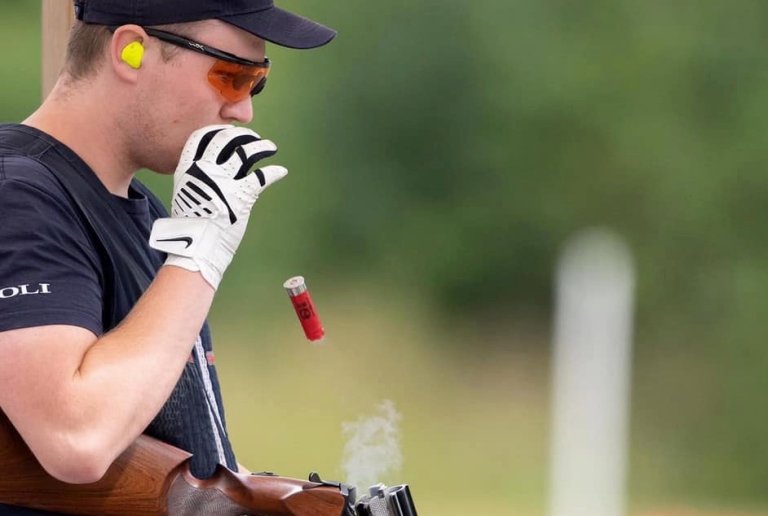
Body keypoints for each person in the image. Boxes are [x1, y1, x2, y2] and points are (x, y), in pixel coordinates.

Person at [0, 0, 335, 513]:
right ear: (129, 51)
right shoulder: (17, 196)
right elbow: (76, 440)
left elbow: (182, 458)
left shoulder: (147, 214)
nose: (244, 110)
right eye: (231, 76)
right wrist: (200, 248)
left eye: (257, 81)